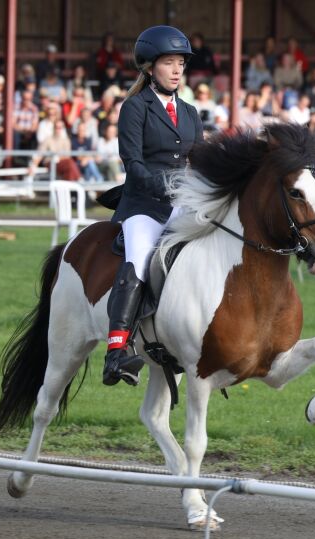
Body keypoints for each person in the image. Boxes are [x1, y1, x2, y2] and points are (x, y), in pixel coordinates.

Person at [102, 25, 202, 387]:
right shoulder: (135, 107)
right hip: (143, 205)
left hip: (180, 204)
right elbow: (133, 165)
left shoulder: (190, 112)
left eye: (180, 64)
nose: (177, 71)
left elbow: (200, 161)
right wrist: (169, 185)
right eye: (169, 63)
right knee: (140, 258)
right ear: (149, 67)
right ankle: (116, 352)